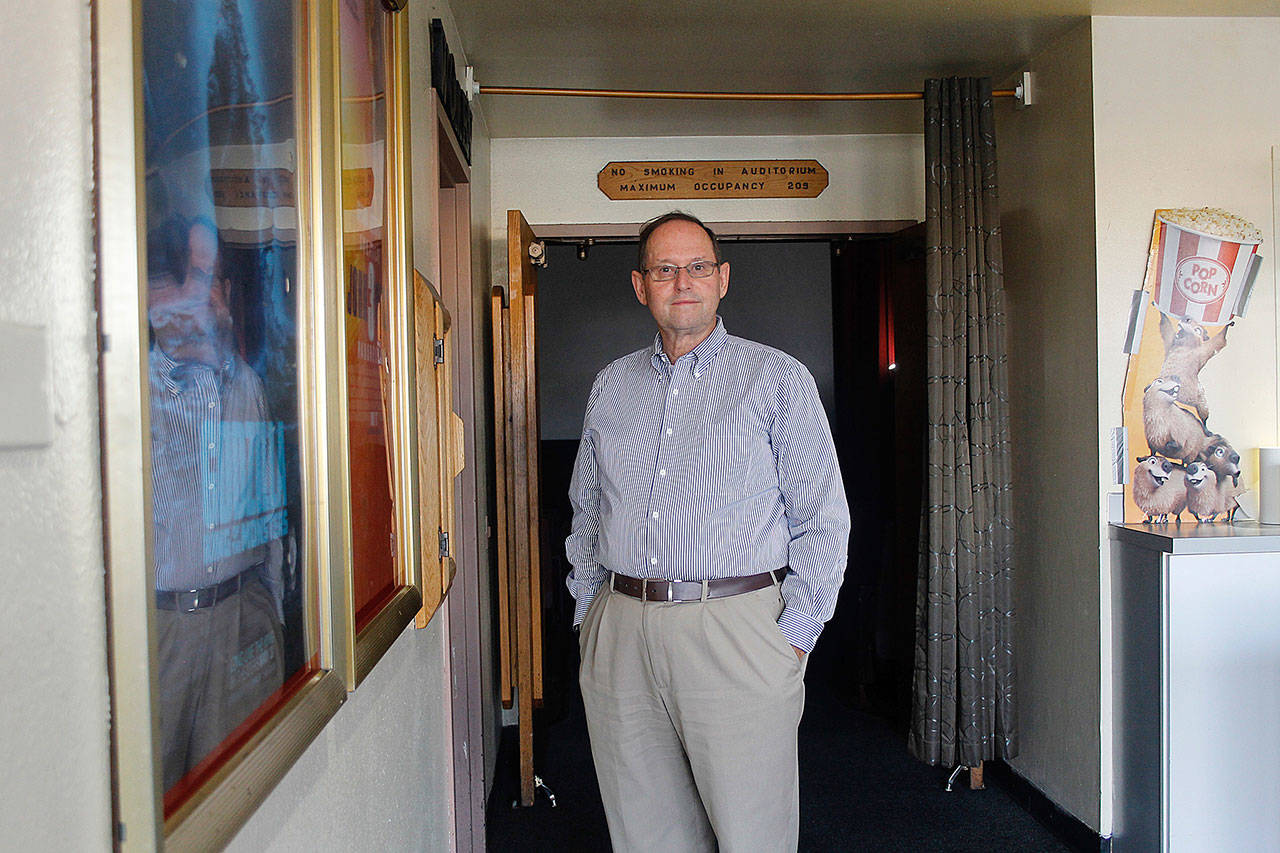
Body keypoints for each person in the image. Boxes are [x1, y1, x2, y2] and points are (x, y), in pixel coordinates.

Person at [566, 211, 851, 851]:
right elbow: (586, 505)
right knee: (646, 834)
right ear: (642, 286)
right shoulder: (611, 387)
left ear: (722, 279)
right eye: (665, 269)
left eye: (697, 267)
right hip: (623, 633)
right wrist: (590, 611)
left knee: (753, 833)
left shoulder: (778, 379)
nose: (682, 281)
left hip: (738, 630)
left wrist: (793, 639)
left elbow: (824, 515)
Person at [147, 216, 287, 790]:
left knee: (241, 795)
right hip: (161, 630)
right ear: (158, 289)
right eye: (196, 276)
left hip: (240, 619)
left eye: (218, 279)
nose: (212, 294)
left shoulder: (247, 387)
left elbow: (269, 512)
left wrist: (271, 617)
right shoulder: (125, 393)